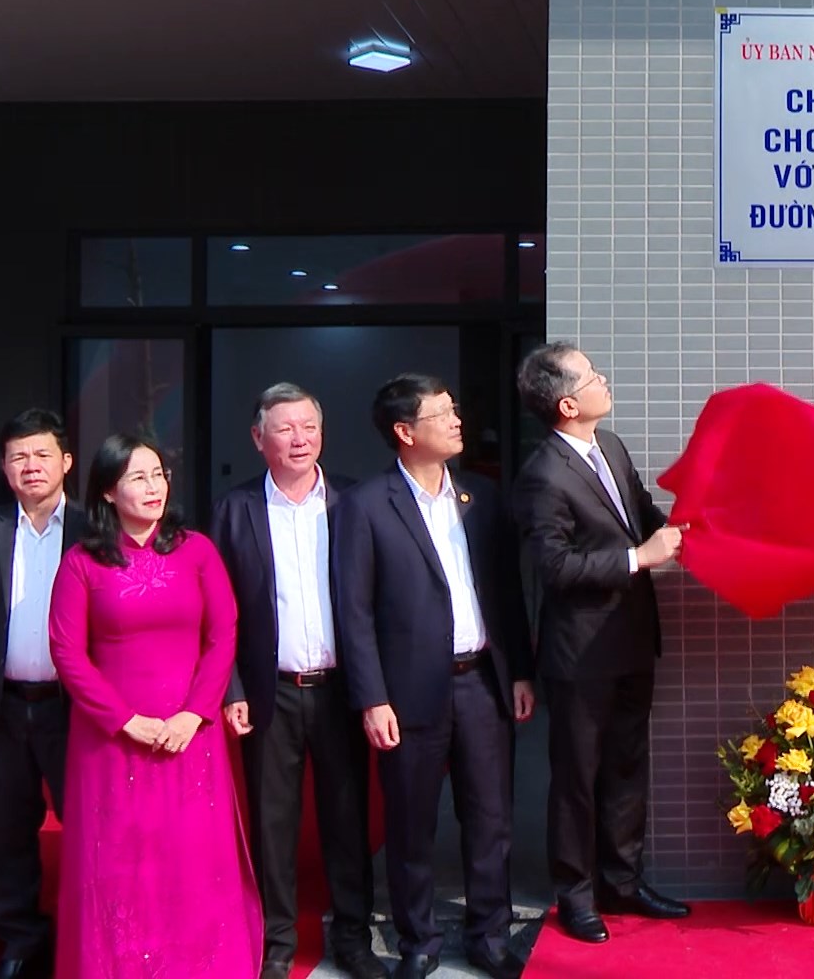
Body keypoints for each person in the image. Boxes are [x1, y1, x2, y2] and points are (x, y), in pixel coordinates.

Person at [335, 374, 534, 979]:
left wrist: (519, 670)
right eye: (441, 413)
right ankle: (417, 937)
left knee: (490, 815)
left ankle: (489, 933)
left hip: (482, 681)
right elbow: (355, 610)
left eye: (455, 409)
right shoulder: (365, 506)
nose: (456, 421)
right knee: (412, 820)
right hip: (408, 692)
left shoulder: (481, 497)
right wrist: (372, 697)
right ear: (404, 432)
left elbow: (505, 592)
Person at [47, 434, 262, 977]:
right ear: (108, 491)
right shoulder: (81, 562)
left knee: (191, 860)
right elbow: (67, 652)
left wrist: (195, 712)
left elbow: (224, 633)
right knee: (117, 863)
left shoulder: (197, 549)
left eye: (159, 474)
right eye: (138, 477)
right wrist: (124, 721)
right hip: (110, 739)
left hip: (191, 733)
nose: (153, 486)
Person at [511, 344, 688, 944]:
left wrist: (689, 530)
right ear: (567, 402)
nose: (604, 381)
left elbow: (642, 513)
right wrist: (639, 558)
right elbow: (554, 567)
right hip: (580, 654)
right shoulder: (541, 475)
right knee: (577, 779)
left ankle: (623, 881)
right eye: (592, 377)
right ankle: (576, 894)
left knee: (626, 768)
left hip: (633, 640)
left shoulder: (610, 447)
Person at [212, 384, 385, 979]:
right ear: (259, 439)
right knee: (273, 823)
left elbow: (374, 602)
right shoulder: (235, 510)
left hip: (339, 688)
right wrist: (231, 689)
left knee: (347, 817)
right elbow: (221, 610)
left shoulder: (353, 503)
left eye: (308, 425)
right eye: (284, 428)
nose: (299, 437)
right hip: (269, 692)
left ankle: (354, 936)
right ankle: (276, 940)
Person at [0, 411, 86, 978]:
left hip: (74, 711)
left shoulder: (93, 530)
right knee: (4, 831)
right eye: (18, 457)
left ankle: (84, 939)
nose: (30, 466)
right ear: (4, 468)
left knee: (88, 829)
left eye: (41, 455)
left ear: (66, 462)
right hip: (1, 709)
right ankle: (19, 941)